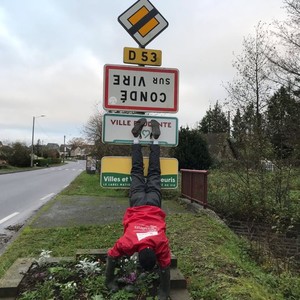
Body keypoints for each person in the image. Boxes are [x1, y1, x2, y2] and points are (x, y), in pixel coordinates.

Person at [105, 118, 171, 300]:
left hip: (153, 204)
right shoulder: (129, 243)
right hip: (137, 203)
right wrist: (109, 281)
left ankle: (155, 140)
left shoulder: (161, 244)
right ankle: (136, 138)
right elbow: (111, 256)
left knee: (155, 172)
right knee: (136, 171)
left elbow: (165, 266)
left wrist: (164, 293)